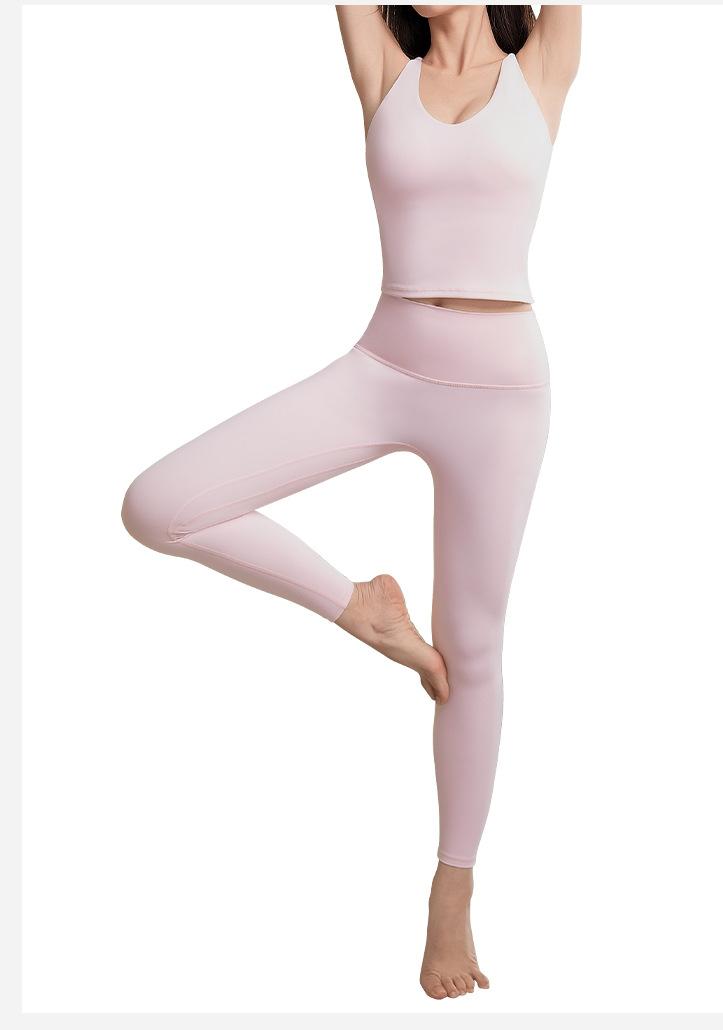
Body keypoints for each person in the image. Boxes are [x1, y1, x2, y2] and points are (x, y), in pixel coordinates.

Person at [121, 3, 581, 1001]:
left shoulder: (542, 61)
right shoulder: (381, 64)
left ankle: (452, 889)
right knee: (159, 503)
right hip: (385, 365)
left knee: (475, 647)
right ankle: (362, 610)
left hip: (503, 391)